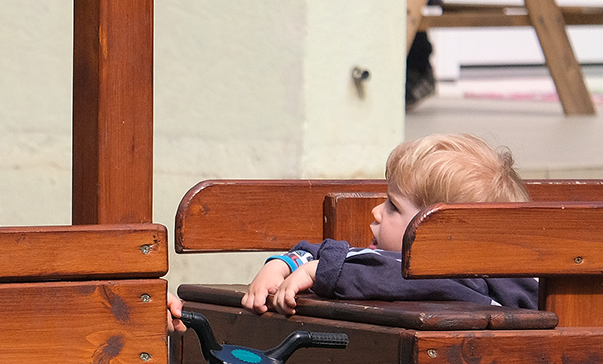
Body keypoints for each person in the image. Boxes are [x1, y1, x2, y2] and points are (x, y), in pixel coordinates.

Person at [166, 134, 536, 333]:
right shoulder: (384, 262)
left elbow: (397, 277)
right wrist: (283, 265)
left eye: (392, 206)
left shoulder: (470, 283)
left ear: (443, 235)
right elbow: (356, 259)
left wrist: (317, 272)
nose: (376, 212)